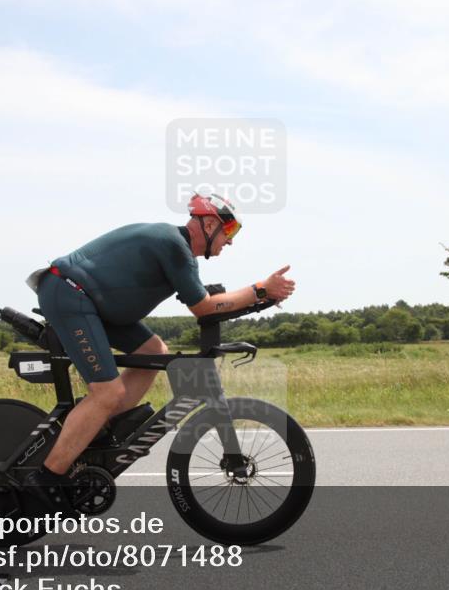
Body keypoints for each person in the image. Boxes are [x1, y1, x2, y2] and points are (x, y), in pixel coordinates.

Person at [22, 193, 295, 515]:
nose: (230, 241)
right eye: (229, 231)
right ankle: (46, 479)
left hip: (92, 302)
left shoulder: (177, 249)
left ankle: (95, 427)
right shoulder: (174, 246)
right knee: (107, 393)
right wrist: (259, 289)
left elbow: (209, 303)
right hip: (72, 295)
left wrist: (258, 299)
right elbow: (204, 307)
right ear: (209, 224)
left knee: (154, 352)